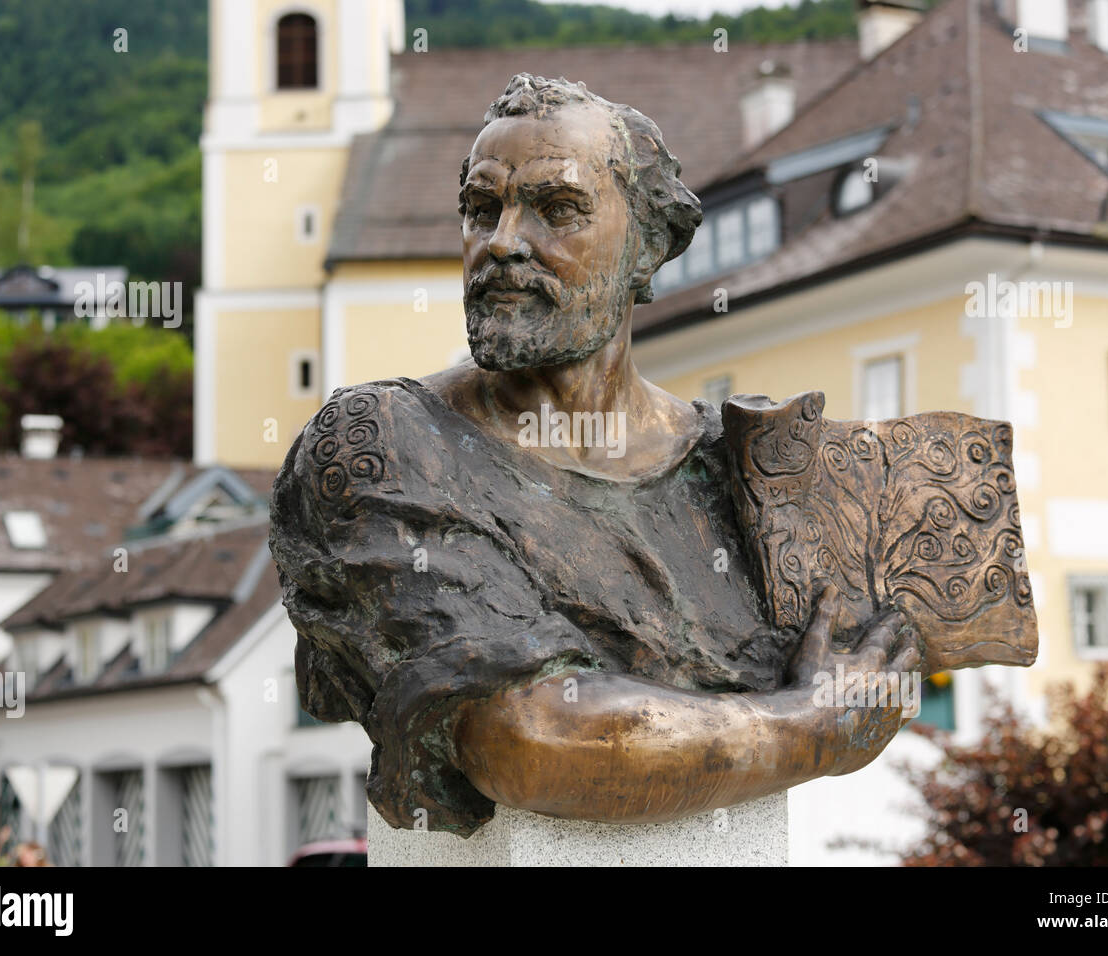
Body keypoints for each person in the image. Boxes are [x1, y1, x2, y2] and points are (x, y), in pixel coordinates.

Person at [270, 73, 919, 836]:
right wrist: (808, 730)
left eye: (557, 209)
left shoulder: (749, 471)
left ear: (649, 247)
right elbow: (528, 741)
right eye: (482, 209)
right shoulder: (380, 443)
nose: (503, 242)